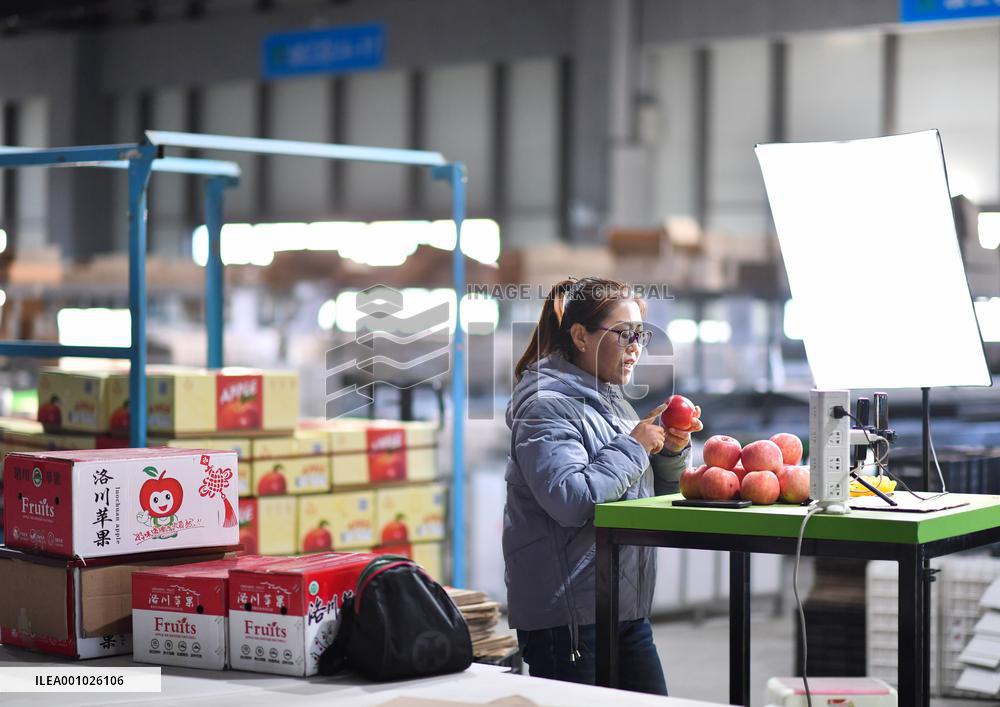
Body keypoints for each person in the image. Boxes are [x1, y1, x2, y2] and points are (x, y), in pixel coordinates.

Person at [503, 276, 702, 695]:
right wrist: (633, 447)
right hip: (569, 622)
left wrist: (667, 451)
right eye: (624, 334)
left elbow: (638, 495)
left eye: (641, 334)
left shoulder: (609, 400)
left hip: (621, 609)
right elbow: (570, 499)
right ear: (579, 336)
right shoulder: (546, 405)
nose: (636, 347)